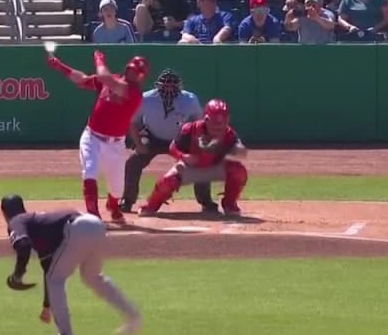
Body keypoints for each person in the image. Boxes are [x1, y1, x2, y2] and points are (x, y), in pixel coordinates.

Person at [1, 194, 141, 335]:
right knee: (91, 277)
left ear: (4, 213)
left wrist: (17, 275)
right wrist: (47, 305)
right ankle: (132, 315)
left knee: (55, 280)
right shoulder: (40, 226)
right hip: (96, 225)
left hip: (77, 228)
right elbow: (48, 268)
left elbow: (23, 246)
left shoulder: (17, 221)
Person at [45, 48, 149, 223]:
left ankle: (113, 205)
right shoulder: (113, 79)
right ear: (127, 68)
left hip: (115, 144)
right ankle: (93, 215)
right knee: (90, 172)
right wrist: (60, 66)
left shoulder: (134, 93)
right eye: (132, 70)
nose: (134, 74)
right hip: (92, 137)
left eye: (138, 73)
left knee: (117, 189)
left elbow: (104, 77)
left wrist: (99, 60)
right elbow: (83, 80)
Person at [122, 68, 215, 213]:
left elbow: (200, 124)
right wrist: (139, 144)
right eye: (166, 85)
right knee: (133, 161)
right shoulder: (146, 99)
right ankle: (127, 200)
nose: (169, 89)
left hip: (181, 139)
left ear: (179, 87)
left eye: (172, 86)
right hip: (152, 136)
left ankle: (206, 201)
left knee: (201, 162)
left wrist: (198, 147)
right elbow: (133, 122)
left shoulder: (190, 100)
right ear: (158, 86)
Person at [139, 99, 248, 216]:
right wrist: (183, 156)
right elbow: (172, 148)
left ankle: (229, 205)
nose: (218, 128)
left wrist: (238, 150)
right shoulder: (190, 129)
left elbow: (241, 151)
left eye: (222, 124)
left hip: (215, 168)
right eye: (215, 124)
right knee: (167, 181)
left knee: (239, 171)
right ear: (206, 119)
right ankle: (151, 206)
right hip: (190, 167)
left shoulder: (229, 134)